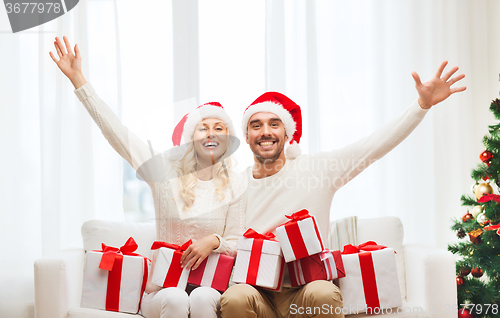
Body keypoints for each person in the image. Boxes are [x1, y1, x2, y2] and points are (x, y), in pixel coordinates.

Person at [220, 61, 466, 318]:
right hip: (258, 293)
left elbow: (373, 146)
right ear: (246, 137)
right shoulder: (234, 185)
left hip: (305, 291)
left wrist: (421, 106)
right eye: (256, 125)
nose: (265, 132)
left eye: (274, 123)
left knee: (323, 293)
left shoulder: (317, 169)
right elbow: (226, 239)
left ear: (287, 133)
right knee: (235, 298)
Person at [49, 36, 246, 318]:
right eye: (203, 128)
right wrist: (79, 80)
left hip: (209, 286)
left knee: (203, 297)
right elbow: (117, 133)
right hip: (162, 291)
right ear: (191, 138)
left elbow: (238, 243)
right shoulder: (163, 171)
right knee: (176, 298)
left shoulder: (235, 184)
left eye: (219, 128)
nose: (212, 133)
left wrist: (214, 240)